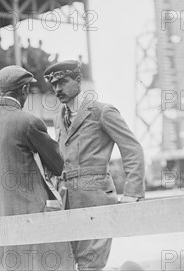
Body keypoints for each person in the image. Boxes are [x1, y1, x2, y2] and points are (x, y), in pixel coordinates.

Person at [43, 60, 145, 271]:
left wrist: (132, 193)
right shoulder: (57, 119)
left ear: (79, 81)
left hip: (96, 199)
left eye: (62, 82)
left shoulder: (103, 112)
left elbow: (132, 149)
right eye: (53, 85)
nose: (57, 89)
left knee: (91, 266)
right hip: (66, 201)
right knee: (66, 264)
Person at [0, 65, 75, 271]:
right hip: (30, 212)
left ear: (0, 92)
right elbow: (58, 165)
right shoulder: (29, 121)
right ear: (23, 91)